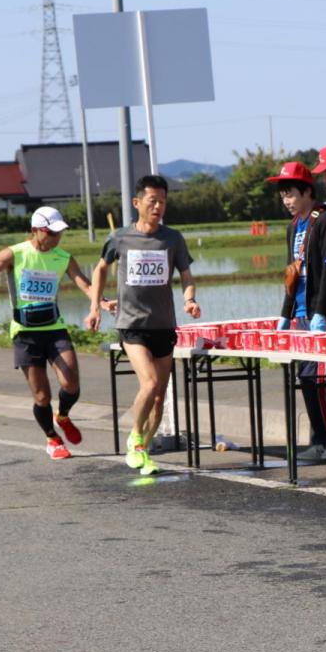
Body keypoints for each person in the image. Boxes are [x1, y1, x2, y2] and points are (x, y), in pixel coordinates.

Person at [85, 175, 200, 474]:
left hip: (163, 325)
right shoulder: (120, 238)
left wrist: (189, 300)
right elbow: (100, 269)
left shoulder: (173, 238)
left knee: (159, 397)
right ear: (137, 203)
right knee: (148, 384)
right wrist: (95, 306)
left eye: (162, 201)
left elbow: (187, 276)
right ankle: (135, 436)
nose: (158, 207)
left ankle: (142, 450)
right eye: (152, 201)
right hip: (132, 324)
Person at [0, 206, 99, 460]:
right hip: (25, 333)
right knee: (42, 395)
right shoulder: (15, 253)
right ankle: (52, 438)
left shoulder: (63, 257)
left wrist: (100, 303)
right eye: (51, 233)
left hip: (54, 328)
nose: (56, 238)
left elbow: (85, 284)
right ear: (35, 230)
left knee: (71, 382)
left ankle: (63, 415)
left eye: (59, 233)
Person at [269, 160, 326, 461]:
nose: (287, 200)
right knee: (306, 377)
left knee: (317, 376)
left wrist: (321, 311)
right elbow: (292, 274)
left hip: (323, 310)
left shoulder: (325, 221)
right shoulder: (294, 226)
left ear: (307, 191)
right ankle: (321, 439)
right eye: (283, 195)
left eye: (291, 194)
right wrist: (286, 313)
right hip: (301, 310)